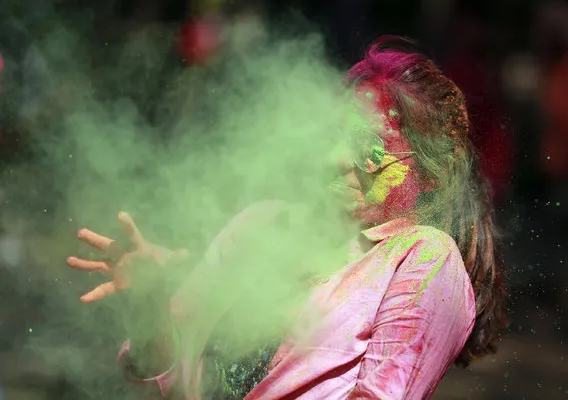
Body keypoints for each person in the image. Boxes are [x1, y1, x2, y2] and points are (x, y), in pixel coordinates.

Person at [67, 37, 507, 399]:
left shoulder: (422, 258)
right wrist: (151, 303)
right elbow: (165, 380)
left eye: (368, 147)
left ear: (430, 173)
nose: (334, 157)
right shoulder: (261, 225)